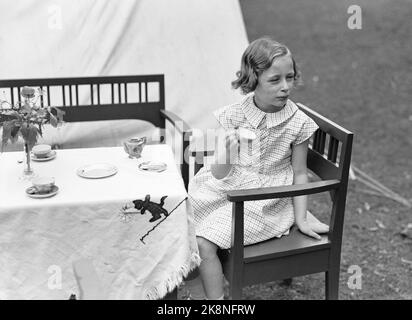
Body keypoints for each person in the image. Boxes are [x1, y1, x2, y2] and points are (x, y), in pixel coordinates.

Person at [186, 37, 329, 300]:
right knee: (182, 225)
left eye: (290, 77)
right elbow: (218, 174)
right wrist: (227, 153)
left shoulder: (297, 122)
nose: (285, 87)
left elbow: (299, 173)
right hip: (228, 187)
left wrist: (301, 218)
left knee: (204, 242)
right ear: (253, 79)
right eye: (275, 80)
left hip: (264, 202)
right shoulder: (235, 115)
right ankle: (197, 293)